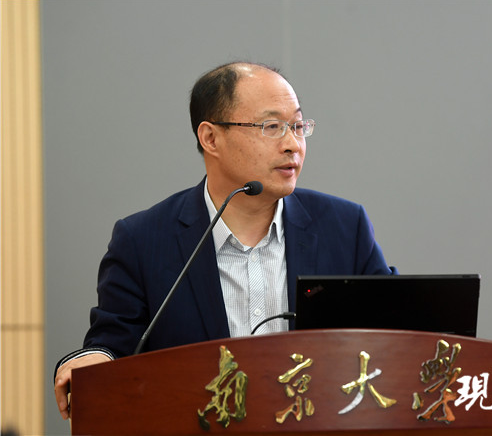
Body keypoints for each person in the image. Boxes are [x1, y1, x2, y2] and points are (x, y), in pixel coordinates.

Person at [53, 62, 395, 420]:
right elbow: (112, 345)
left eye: (297, 126)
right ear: (211, 138)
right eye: (272, 127)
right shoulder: (143, 241)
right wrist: (92, 360)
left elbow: (396, 328)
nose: (293, 145)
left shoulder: (344, 228)